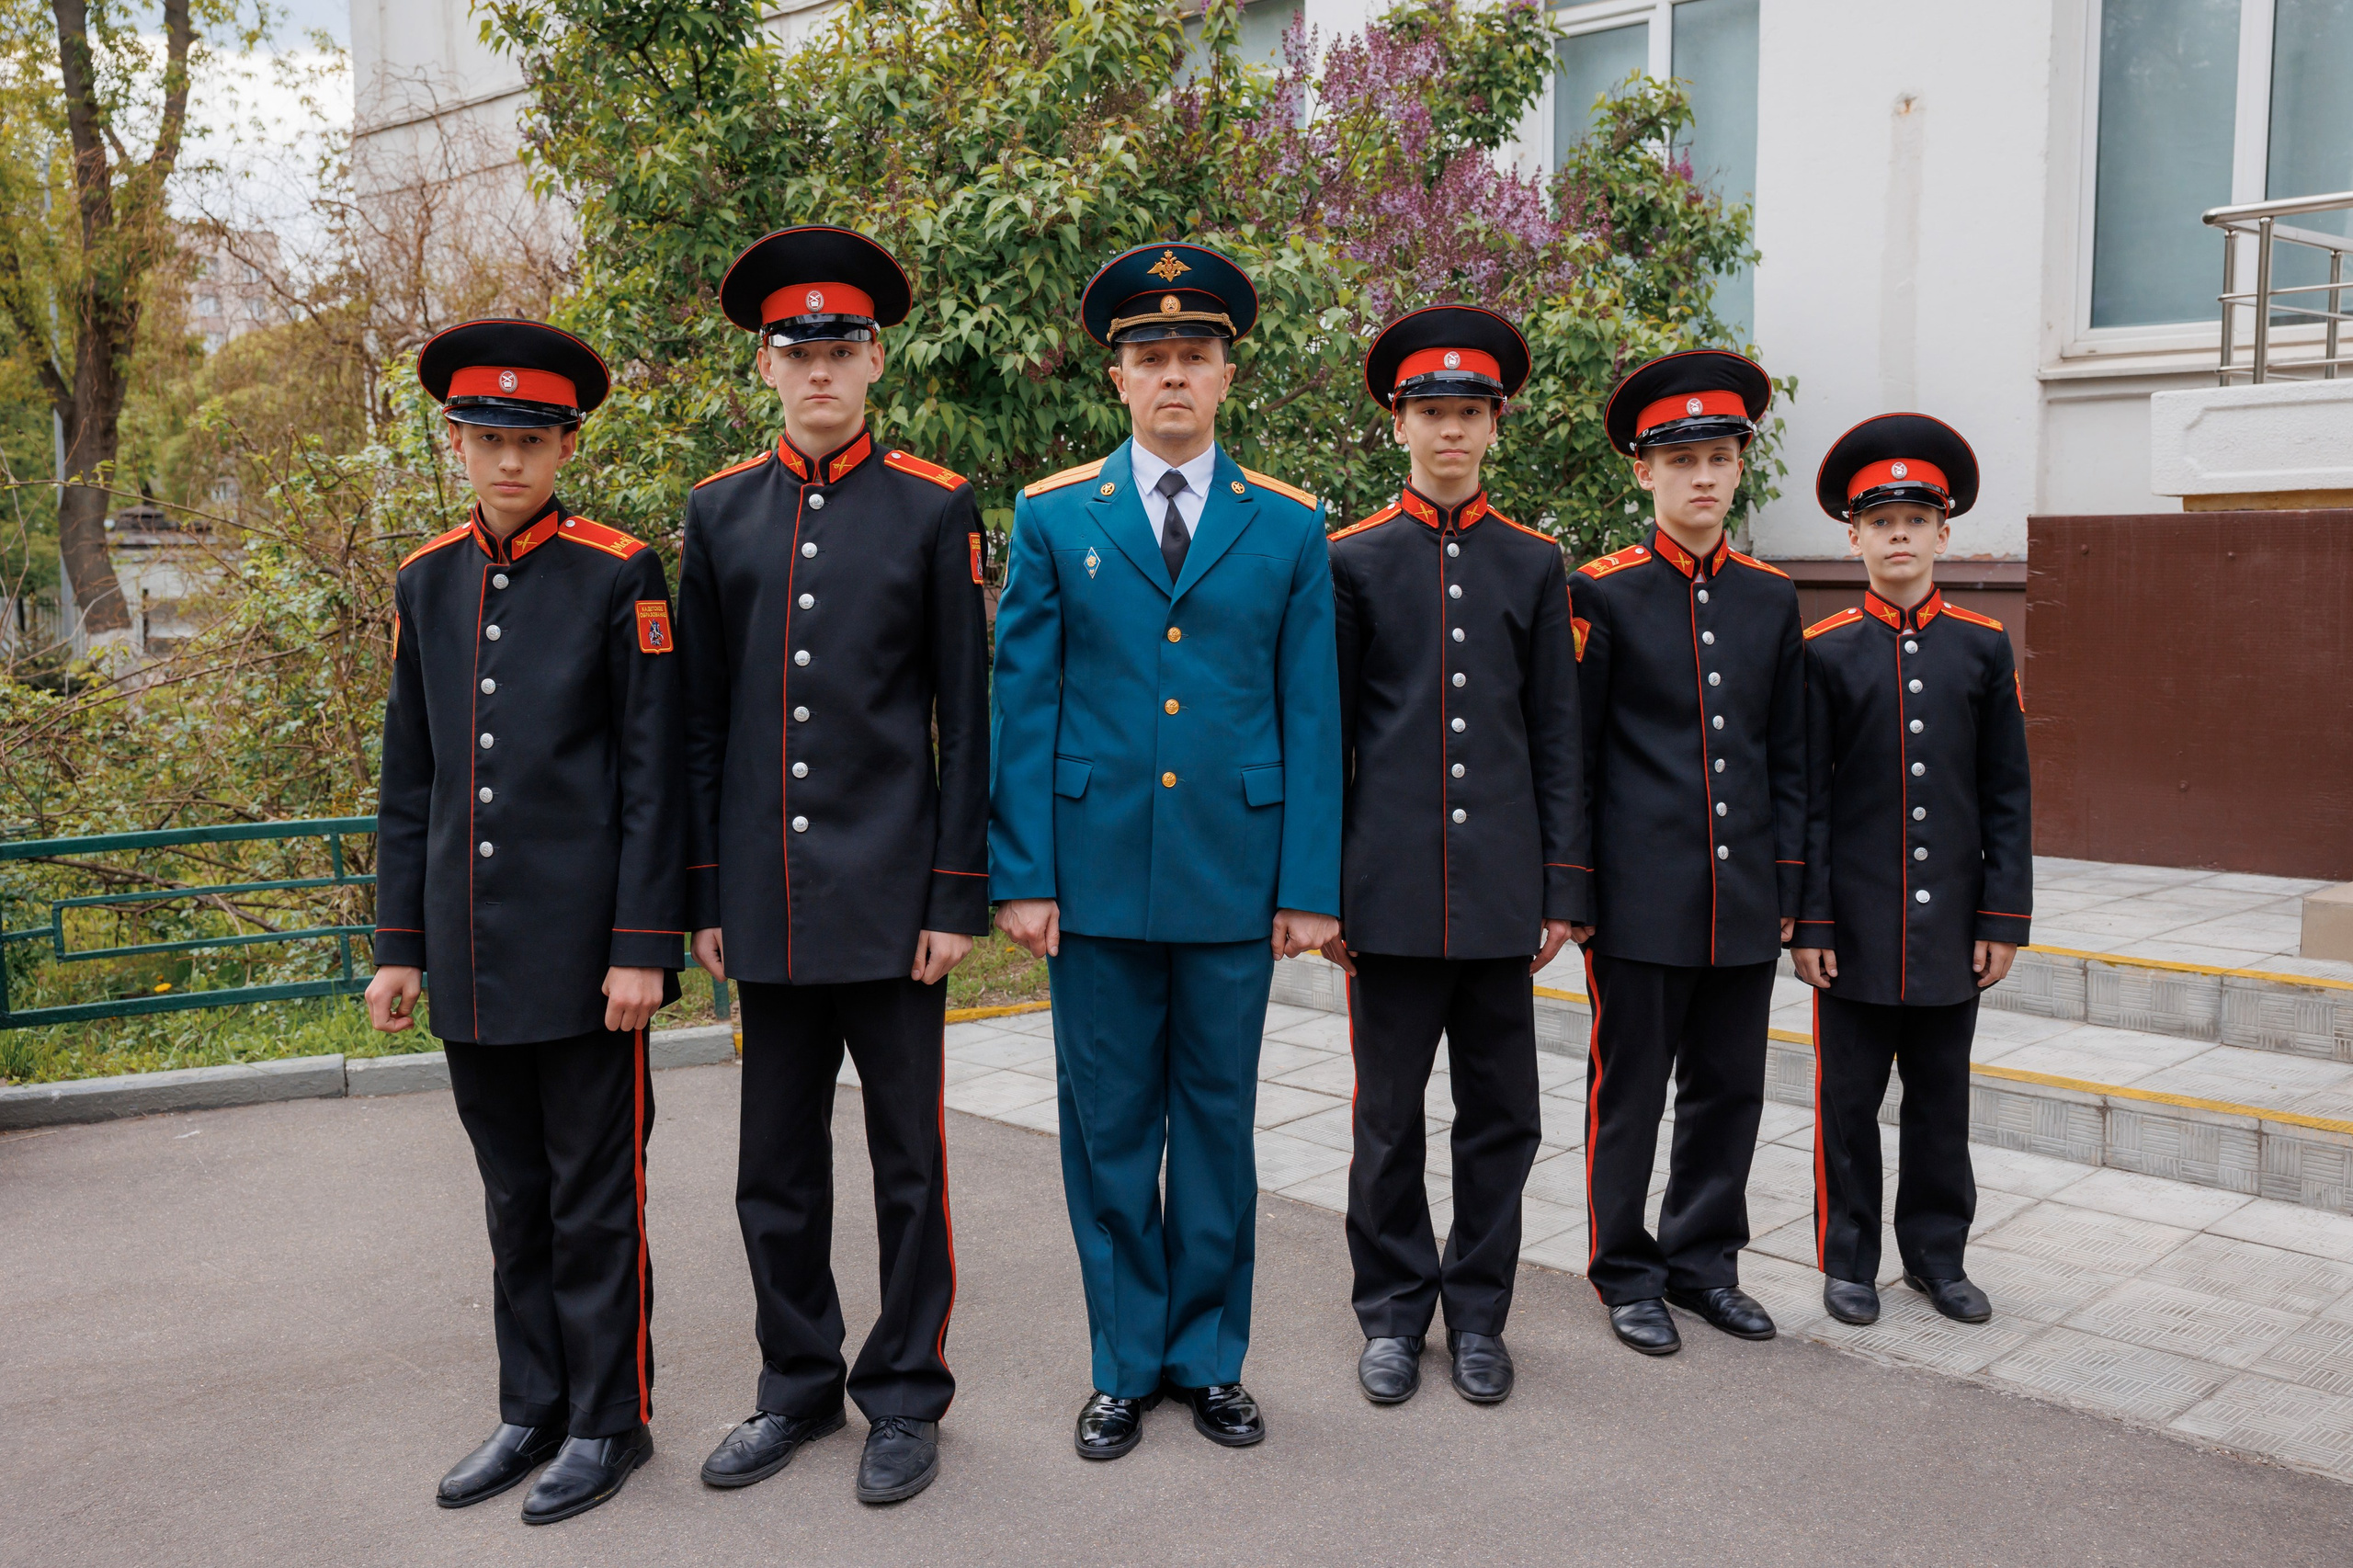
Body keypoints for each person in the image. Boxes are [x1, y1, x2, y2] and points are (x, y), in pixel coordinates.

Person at [990, 241, 1342, 1460]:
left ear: (1227, 374)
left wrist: (1307, 886)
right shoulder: (1053, 513)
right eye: (1152, 357)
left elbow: (1312, 708)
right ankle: (1124, 1362)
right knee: (1108, 1132)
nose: (1174, 374)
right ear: (1119, 380)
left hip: (1234, 878)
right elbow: (1023, 700)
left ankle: (1209, 1357)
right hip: (1088, 879)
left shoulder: (1290, 526)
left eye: (1195, 354)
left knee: (1219, 1127)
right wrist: (1023, 870)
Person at [679, 226, 990, 1506]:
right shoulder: (718, 511)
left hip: (894, 897)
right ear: (766, 367)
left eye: (844, 348)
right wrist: (702, 893)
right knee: (774, 1166)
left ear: (876, 360)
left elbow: (966, 717)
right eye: (798, 351)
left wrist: (955, 893)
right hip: (769, 900)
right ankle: (796, 1383)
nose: (821, 371)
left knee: (908, 1165)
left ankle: (905, 1390)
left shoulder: (933, 502)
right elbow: (700, 718)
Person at [367, 319, 685, 1525]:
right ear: (457, 443)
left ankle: (611, 1416)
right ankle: (531, 1403)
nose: (510, 462)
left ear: (565, 443)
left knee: (594, 1196)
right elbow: (414, 779)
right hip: (473, 953)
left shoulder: (619, 573)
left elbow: (653, 777)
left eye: (533, 440)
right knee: (513, 1197)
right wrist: (402, 946)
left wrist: (643, 947)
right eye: (490, 439)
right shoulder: (426, 579)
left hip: (588, 957)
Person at [1321, 306, 1587, 1407]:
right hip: (1383, 895)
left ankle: (1478, 1312)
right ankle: (1391, 1312)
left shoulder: (1533, 563)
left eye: (1468, 414)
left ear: (1493, 426)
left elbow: (1557, 735)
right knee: (1386, 1118)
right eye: (1430, 413)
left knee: (1501, 1116)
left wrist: (1562, 889)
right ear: (1399, 425)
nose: (1449, 433)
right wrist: (1318, 892)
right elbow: (1325, 734)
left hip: (1498, 897)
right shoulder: (1350, 562)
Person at [1570, 348, 1802, 1358]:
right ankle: (1624, 1269)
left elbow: (1787, 757)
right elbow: (1572, 755)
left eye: (1719, 457)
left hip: (1742, 894)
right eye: (1681, 461)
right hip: (1639, 898)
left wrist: (1789, 885)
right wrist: (1575, 891)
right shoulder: (1603, 592)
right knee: (1630, 1090)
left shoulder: (1768, 596)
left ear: (1740, 466)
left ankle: (1704, 1261)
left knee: (1728, 1089)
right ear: (1643, 473)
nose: (1702, 477)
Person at [1794, 414, 2031, 1327]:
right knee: (1847, 1107)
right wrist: (1810, 922)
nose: (1898, 534)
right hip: (1851, 932)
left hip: (1949, 932)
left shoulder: (1979, 646)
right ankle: (1846, 1260)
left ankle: (1937, 1256)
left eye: (1915, 518)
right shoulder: (1824, 652)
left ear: (1943, 531)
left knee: (1940, 1104)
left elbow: (2005, 792)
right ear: (1852, 536)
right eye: (1879, 519)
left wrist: (2001, 915)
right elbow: (1807, 799)